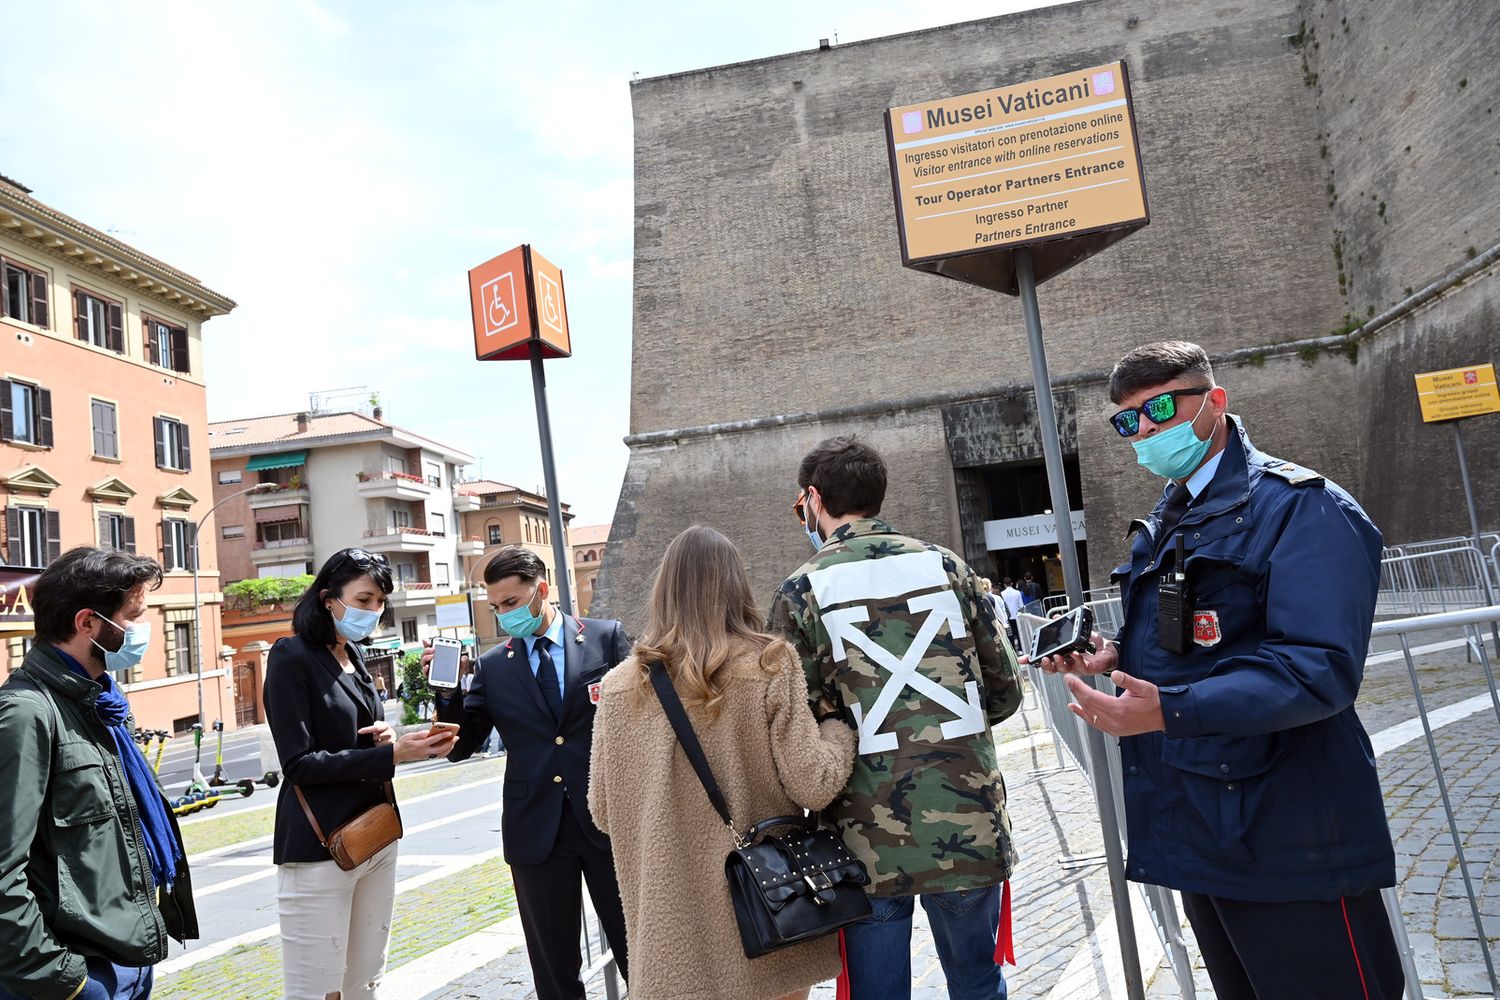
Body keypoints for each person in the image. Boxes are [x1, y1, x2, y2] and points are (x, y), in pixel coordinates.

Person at [1037, 341, 1402, 999]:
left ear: (1215, 402)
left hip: (1290, 837)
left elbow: (1317, 669)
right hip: (1206, 830)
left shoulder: (1301, 507)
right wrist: (1119, 656)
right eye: (1128, 421)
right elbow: (1204, 643)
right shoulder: (1173, 515)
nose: (1144, 430)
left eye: (1160, 408)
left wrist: (1168, 711)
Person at [768, 436, 1024, 1000]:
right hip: (968, 819)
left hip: (864, 843)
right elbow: (1003, 691)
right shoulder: (946, 566)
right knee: (979, 983)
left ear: (814, 499)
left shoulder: (802, 589)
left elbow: (794, 724)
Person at [589, 525, 857, 1000]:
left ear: (663, 591)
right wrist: (838, 732)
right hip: (766, 915)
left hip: (670, 932)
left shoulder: (617, 687)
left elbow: (603, 811)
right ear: (736, 584)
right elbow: (813, 783)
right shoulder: (769, 664)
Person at [431, 547, 630, 1000]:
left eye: (512, 603)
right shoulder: (493, 667)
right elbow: (461, 746)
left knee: (640, 952)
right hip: (535, 833)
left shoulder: (606, 639)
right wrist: (446, 692)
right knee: (554, 971)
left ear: (541, 591)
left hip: (608, 822)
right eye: (496, 607)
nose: (504, 615)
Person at [0, 547, 197, 1000]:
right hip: (77, 971)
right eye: (133, 615)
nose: (142, 629)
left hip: (125, 956)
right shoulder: (26, 714)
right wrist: (63, 980)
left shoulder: (102, 703)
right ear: (87, 623)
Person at [263, 548, 456, 1000]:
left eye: (380, 602)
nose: (374, 611)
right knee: (319, 990)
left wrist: (387, 736)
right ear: (329, 599)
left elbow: (354, 733)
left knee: (365, 982)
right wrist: (392, 757)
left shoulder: (354, 654)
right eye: (364, 599)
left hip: (375, 834)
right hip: (319, 846)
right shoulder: (291, 655)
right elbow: (299, 764)